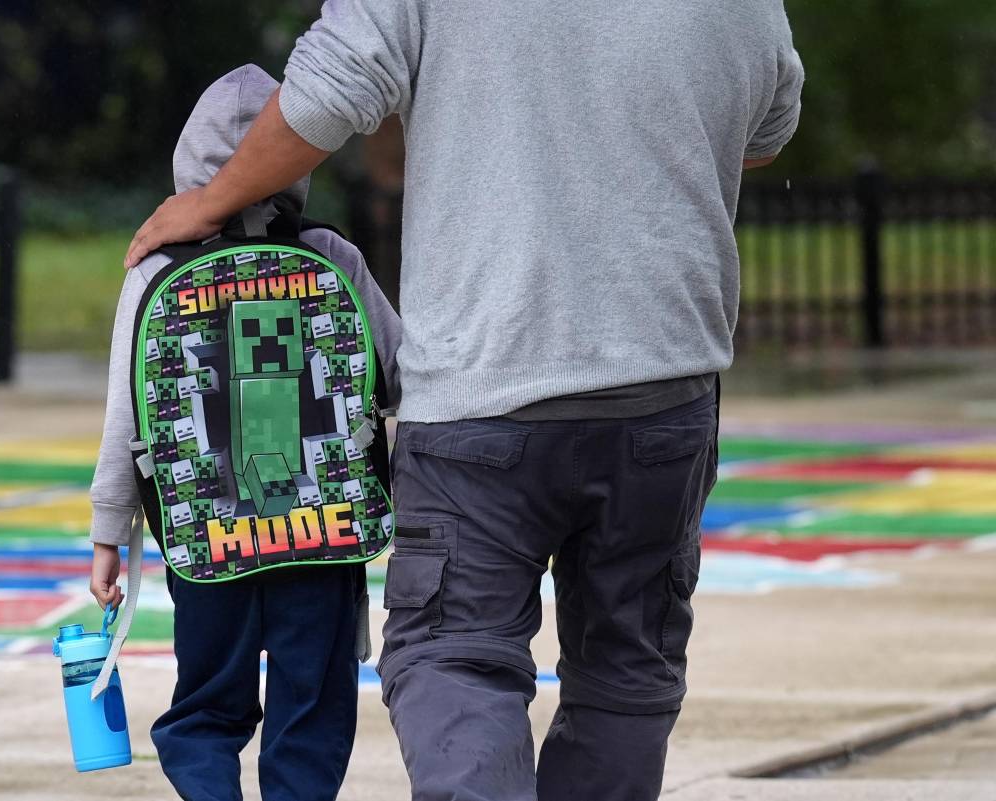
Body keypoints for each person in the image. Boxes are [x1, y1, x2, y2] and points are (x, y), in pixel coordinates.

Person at [123, 3, 804, 799]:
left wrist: (215, 200)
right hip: (664, 384)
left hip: (485, 387)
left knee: (454, 655)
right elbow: (768, 128)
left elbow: (326, 92)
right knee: (626, 666)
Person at [89, 64, 401, 801]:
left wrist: (109, 532)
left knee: (205, 704)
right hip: (320, 533)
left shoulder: (156, 268)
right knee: (312, 706)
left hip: (207, 536)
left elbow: (127, 413)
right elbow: (397, 373)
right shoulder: (331, 256)